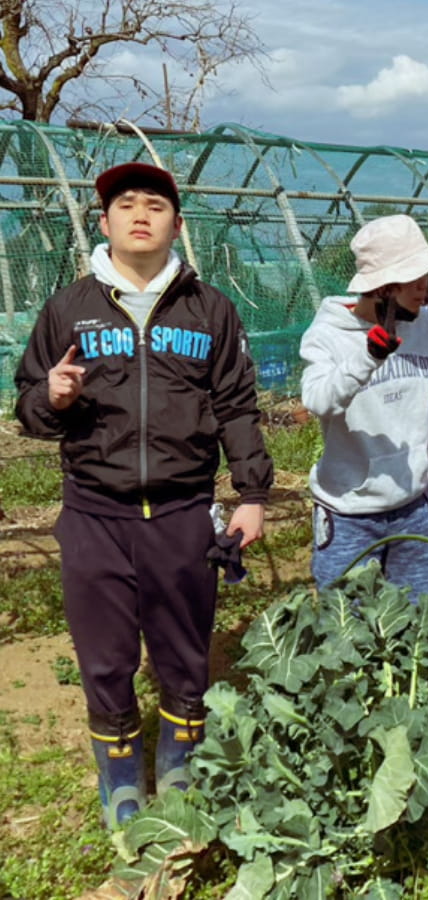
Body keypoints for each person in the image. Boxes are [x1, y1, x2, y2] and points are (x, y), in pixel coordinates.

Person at [14, 162, 273, 828]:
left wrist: (251, 493)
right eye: (125, 204)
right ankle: (123, 784)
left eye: (155, 206)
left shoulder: (209, 309)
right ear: (103, 223)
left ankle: (181, 776)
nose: (140, 214)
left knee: (185, 655)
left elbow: (237, 405)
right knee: (104, 659)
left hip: (184, 515)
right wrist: (52, 395)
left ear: (176, 226)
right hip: (94, 514)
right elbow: (28, 408)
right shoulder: (68, 308)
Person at [300, 214, 428, 601]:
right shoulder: (328, 334)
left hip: (412, 507)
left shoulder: (423, 323)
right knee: (345, 630)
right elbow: (316, 400)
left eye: (425, 276)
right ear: (382, 288)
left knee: (421, 626)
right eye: (413, 279)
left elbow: (421, 399)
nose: (424, 288)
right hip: (350, 513)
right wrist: (366, 358)